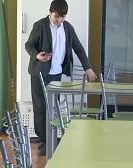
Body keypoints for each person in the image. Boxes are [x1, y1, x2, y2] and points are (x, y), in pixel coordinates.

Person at [25, 0, 97, 156]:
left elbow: (79, 49)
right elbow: (29, 45)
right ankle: (43, 142)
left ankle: (52, 138)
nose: (59, 20)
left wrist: (88, 68)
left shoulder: (68, 28)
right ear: (50, 13)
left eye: (62, 17)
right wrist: (37, 56)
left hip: (57, 74)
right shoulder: (40, 25)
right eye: (56, 16)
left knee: (53, 108)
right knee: (40, 108)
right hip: (39, 73)